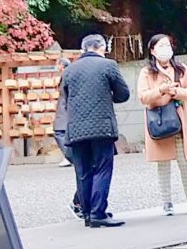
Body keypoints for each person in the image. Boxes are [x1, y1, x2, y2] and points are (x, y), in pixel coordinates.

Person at [56, 32, 131, 228]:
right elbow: (123, 94)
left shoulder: (69, 70)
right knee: (102, 168)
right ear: (102, 48)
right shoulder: (108, 65)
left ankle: (88, 214)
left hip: (76, 128)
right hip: (101, 127)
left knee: (82, 172)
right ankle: (98, 212)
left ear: (83, 49)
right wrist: (107, 96)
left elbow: (65, 96)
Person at [138, 33, 187, 218]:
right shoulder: (146, 72)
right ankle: (167, 203)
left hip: (179, 122)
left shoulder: (181, 69)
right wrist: (161, 90)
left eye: (168, 45)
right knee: (163, 165)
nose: (166, 49)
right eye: (161, 46)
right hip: (159, 122)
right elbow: (143, 97)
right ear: (152, 50)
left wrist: (176, 92)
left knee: (185, 163)